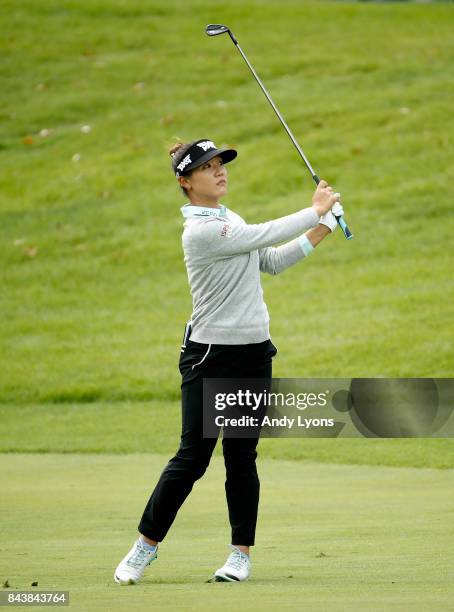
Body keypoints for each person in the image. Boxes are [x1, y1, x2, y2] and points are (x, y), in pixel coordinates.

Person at [114, 138, 343, 584]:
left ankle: (240, 555)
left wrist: (323, 230)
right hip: (209, 357)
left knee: (242, 457)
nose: (219, 171)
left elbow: (272, 261)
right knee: (193, 457)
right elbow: (261, 236)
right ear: (186, 182)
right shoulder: (200, 230)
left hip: (253, 354)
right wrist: (314, 209)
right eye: (206, 167)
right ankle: (146, 545)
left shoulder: (228, 218)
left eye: (220, 164)